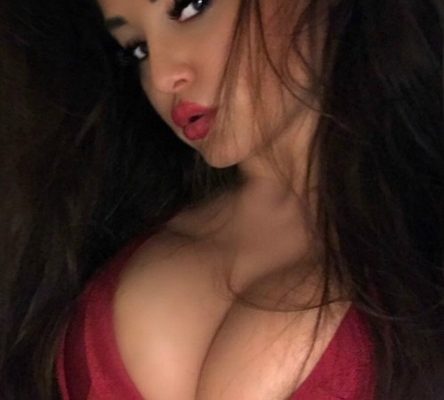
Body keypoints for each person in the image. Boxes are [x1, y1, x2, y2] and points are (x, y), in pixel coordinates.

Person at [0, 0, 443, 399]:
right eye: (137, 49)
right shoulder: (95, 234)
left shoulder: (424, 239)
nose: (162, 76)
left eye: (190, 8)